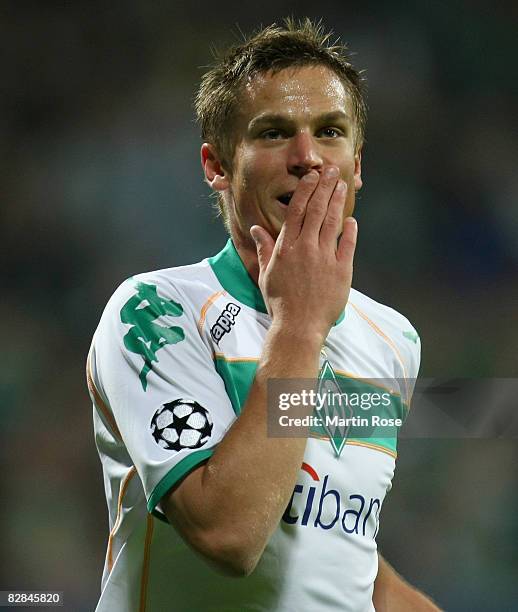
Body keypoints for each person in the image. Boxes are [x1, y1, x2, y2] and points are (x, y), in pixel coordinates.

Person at [87, 18, 440, 611]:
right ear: (217, 165)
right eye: (274, 133)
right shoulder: (155, 312)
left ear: (358, 163)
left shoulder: (393, 338)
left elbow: (335, 546)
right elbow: (230, 535)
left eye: (330, 132)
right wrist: (299, 325)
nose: (307, 158)